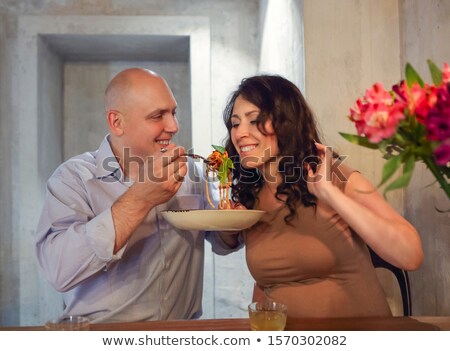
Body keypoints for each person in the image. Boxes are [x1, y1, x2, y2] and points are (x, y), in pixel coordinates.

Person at [35, 68, 238, 323]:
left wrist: (233, 220)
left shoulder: (193, 173)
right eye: (157, 116)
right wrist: (140, 198)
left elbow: (222, 242)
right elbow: (59, 271)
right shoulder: (73, 178)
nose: (173, 126)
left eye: (173, 112)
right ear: (116, 122)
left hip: (180, 337)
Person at [220, 74, 424, 318]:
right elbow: (266, 287)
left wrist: (329, 193)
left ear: (286, 122)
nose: (240, 132)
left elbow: (410, 255)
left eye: (254, 120)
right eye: (235, 123)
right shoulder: (250, 196)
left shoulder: (333, 174)